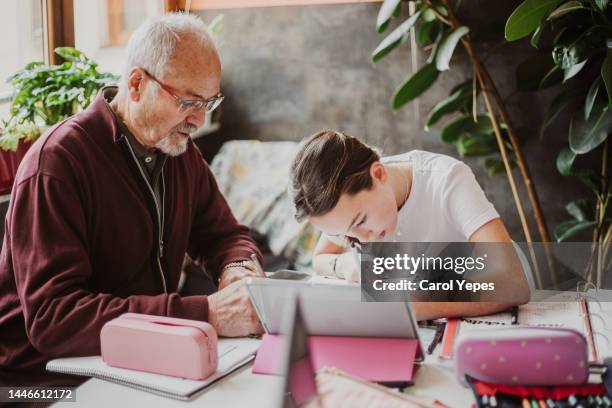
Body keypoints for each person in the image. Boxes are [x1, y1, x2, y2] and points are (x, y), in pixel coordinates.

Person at [0, 13, 263, 387]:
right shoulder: (56, 164)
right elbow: (54, 318)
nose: (200, 120)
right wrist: (205, 313)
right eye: (189, 102)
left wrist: (239, 269)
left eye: (209, 101)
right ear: (137, 83)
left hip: (138, 360)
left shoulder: (179, 151)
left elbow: (222, 235)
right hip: (41, 383)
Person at [289, 130, 529, 320]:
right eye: (342, 233)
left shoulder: (447, 179)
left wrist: (416, 302)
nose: (363, 239)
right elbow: (320, 257)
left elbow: (512, 282)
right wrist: (344, 266)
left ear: (379, 174)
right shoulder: (346, 210)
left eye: (361, 221)